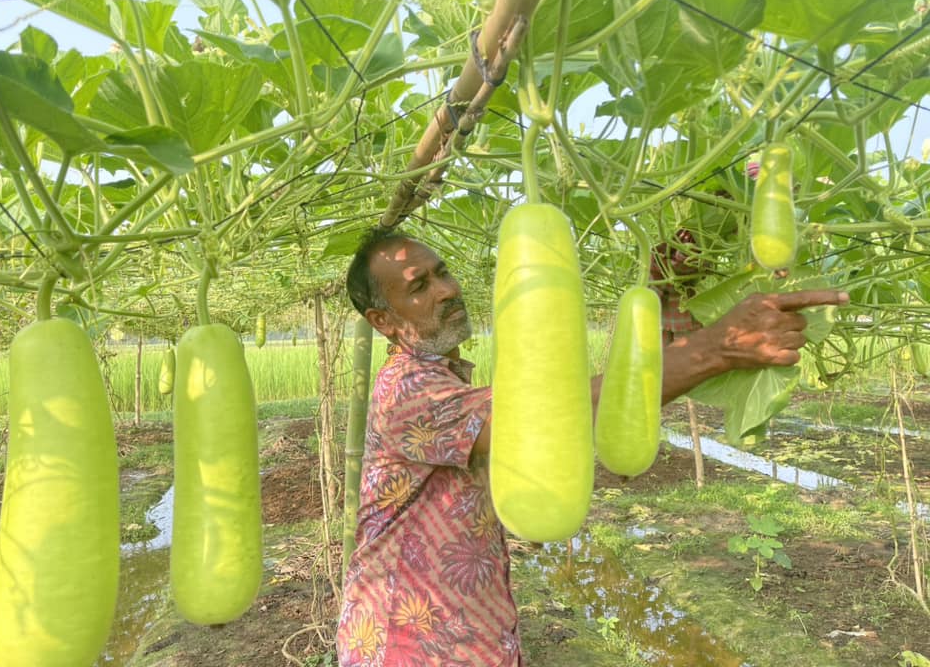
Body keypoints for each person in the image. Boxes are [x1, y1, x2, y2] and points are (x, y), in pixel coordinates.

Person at [336, 227, 848, 667]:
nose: (446, 289)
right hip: (407, 642)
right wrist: (717, 348)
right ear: (384, 321)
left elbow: (575, 410)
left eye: (442, 272)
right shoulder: (403, 390)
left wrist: (661, 299)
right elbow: (543, 416)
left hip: (468, 628)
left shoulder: (442, 378)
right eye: (419, 286)